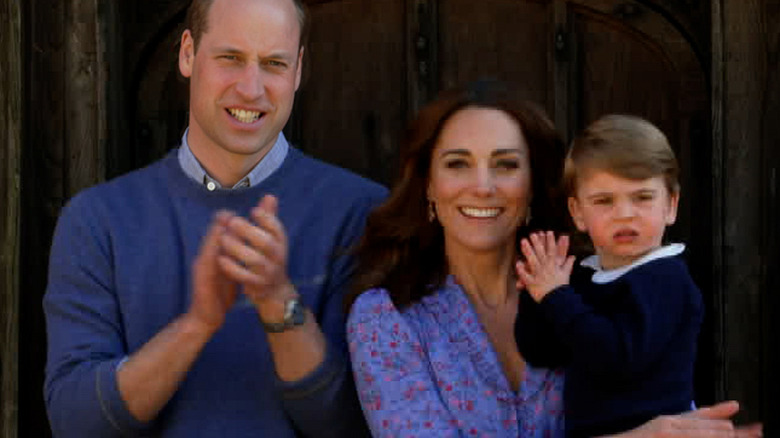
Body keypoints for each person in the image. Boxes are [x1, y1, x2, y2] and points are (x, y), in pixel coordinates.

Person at [43, 0, 385, 436]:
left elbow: (359, 425)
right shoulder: (96, 221)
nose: (251, 88)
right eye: (231, 58)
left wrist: (280, 303)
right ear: (188, 53)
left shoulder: (363, 214)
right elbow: (76, 423)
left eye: (274, 64)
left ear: (298, 70)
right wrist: (197, 324)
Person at [346, 82, 762, 438]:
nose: (482, 186)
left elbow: (659, 393)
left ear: (532, 186)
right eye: (458, 163)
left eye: (506, 164)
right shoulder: (387, 320)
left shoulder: (592, 283)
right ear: (428, 187)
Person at [515, 115, 701, 437]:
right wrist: (538, 290)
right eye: (604, 201)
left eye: (642, 197)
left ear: (671, 206)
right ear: (577, 213)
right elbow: (540, 350)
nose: (624, 213)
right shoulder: (585, 278)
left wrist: (555, 296)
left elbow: (617, 358)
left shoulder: (665, 279)